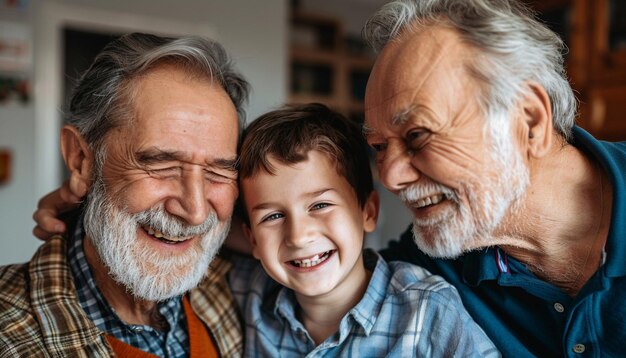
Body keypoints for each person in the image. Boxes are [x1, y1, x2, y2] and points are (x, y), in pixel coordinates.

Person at [361, 0, 626, 356]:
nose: (390, 177)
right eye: (379, 146)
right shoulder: (431, 263)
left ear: (529, 122)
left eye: (417, 135)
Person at [0, 32, 249, 356]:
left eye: (217, 171)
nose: (196, 210)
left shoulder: (242, 286)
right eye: (162, 165)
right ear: (81, 159)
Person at [228, 103, 498, 356]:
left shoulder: (427, 311)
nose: (299, 236)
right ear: (251, 238)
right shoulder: (250, 294)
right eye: (273, 216)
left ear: (368, 212)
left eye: (320, 205)